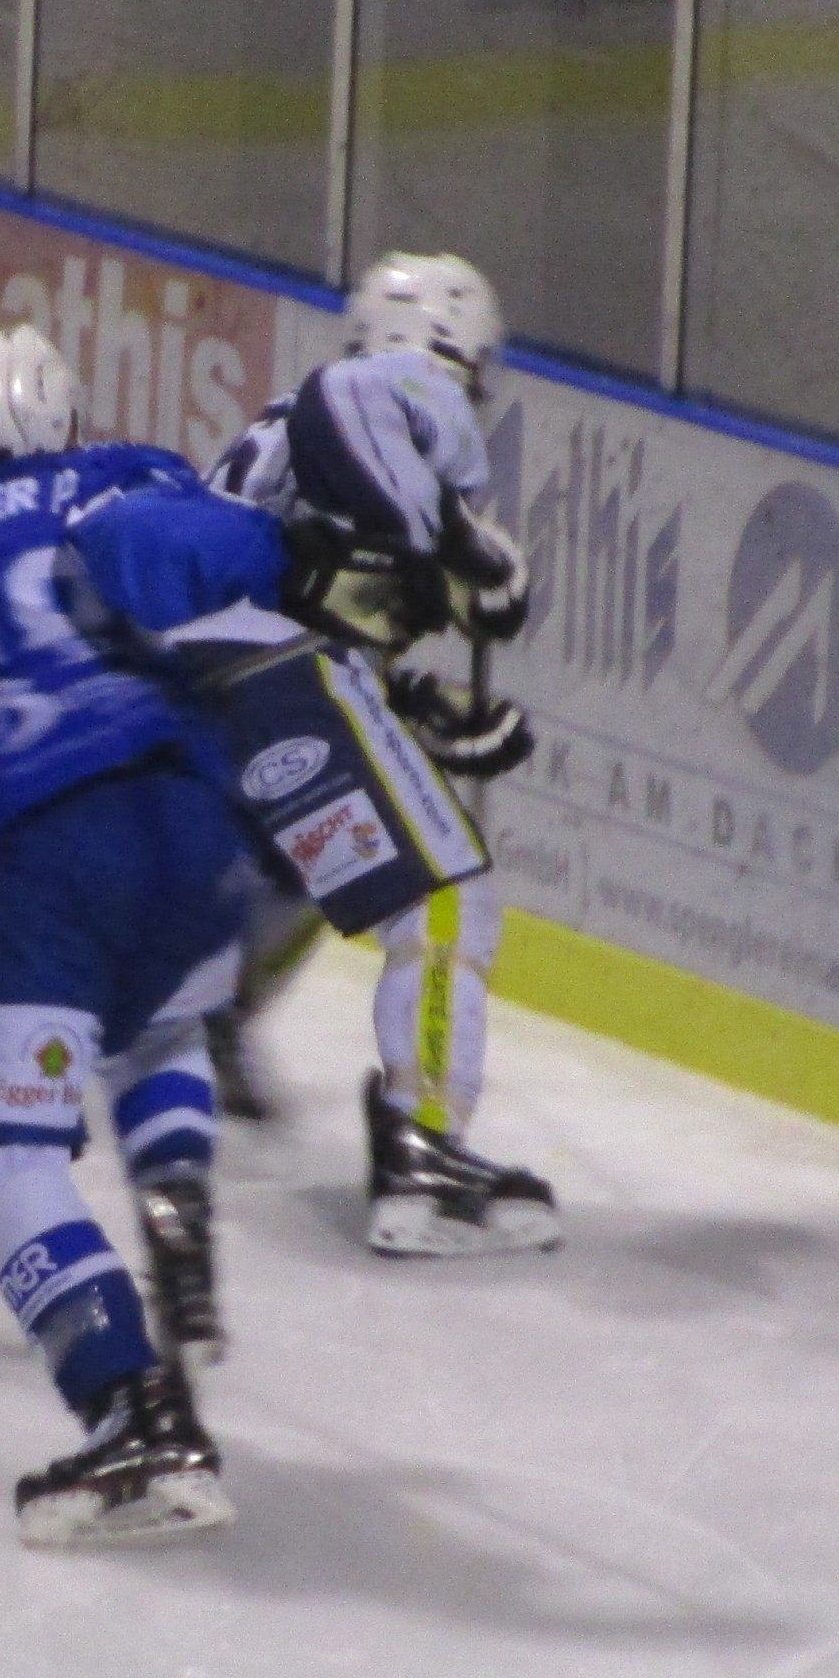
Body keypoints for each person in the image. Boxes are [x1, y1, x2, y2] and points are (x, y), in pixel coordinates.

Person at [0, 324, 248, 1547]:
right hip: (194, 821)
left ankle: (133, 1410)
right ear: (66, 418)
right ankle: (177, 1202)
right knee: (160, 1015)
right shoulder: (143, 474)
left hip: (48, 840)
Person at [195, 251, 553, 1256]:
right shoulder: (399, 387)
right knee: (444, 893)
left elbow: (304, 593)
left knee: (320, 859)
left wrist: (413, 708)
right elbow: (357, 412)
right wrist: (465, 542)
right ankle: (425, 1151)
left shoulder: (275, 426)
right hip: (273, 688)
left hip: (207, 706)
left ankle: (207, 1009)